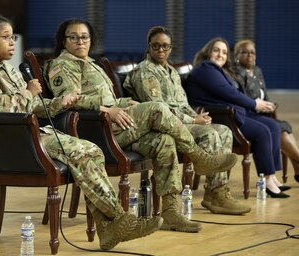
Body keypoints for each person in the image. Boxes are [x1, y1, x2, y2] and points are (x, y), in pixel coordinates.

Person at [0, 11, 163, 251]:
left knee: (91, 149)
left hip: (32, 134)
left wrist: (60, 103)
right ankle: (120, 220)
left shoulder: (8, 69)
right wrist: (28, 92)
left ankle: (109, 227)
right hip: (14, 142)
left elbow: (33, 106)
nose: (11, 43)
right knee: (84, 151)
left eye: (12, 37)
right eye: (5, 37)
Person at [44, 18, 238, 233]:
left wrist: (126, 103)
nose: (80, 41)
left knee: (164, 141)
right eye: (74, 37)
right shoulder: (62, 65)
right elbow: (70, 100)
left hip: (116, 126)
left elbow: (109, 99)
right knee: (156, 108)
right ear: (64, 40)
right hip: (95, 131)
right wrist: (108, 110)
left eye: (85, 37)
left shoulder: (91, 63)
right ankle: (198, 156)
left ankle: (171, 211)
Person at [123, 26, 251, 215]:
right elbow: (159, 110)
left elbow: (182, 103)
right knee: (209, 134)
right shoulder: (145, 72)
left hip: (184, 121)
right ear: (149, 46)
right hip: (161, 127)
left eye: (165, 46)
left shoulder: (171, 72)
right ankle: (216, 193)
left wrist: (197, 116)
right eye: (156, 46)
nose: (160, 50)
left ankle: (216, 193)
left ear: (171, 48)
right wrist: (193, 119)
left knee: (223, 130)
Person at [184, 37, 290, 198]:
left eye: (225, 52)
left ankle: (272, 177)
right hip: (221, 117)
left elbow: (233, 93)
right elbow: (229, 93)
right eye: (216, 50)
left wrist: (255, 104)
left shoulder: (218, 70)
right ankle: (266, 180)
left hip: (235, 113)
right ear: (207, 52)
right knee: (263, 132)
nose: (221, 55)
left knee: (273, 126)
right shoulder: (206, 68)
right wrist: (254, 104)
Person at [233, 39, 299, 184]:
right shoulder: (236, 73)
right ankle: (297, 163)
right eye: (245, 52)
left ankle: (297, 165)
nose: (249, 55)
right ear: (237, 56)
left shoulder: (257, 70)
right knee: (279, 129)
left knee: (285, 128)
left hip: (262, 113)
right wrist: (260, 105)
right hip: (249, 114)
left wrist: (270, 105)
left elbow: (264, 94)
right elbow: (243, 99)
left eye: (252, 52)